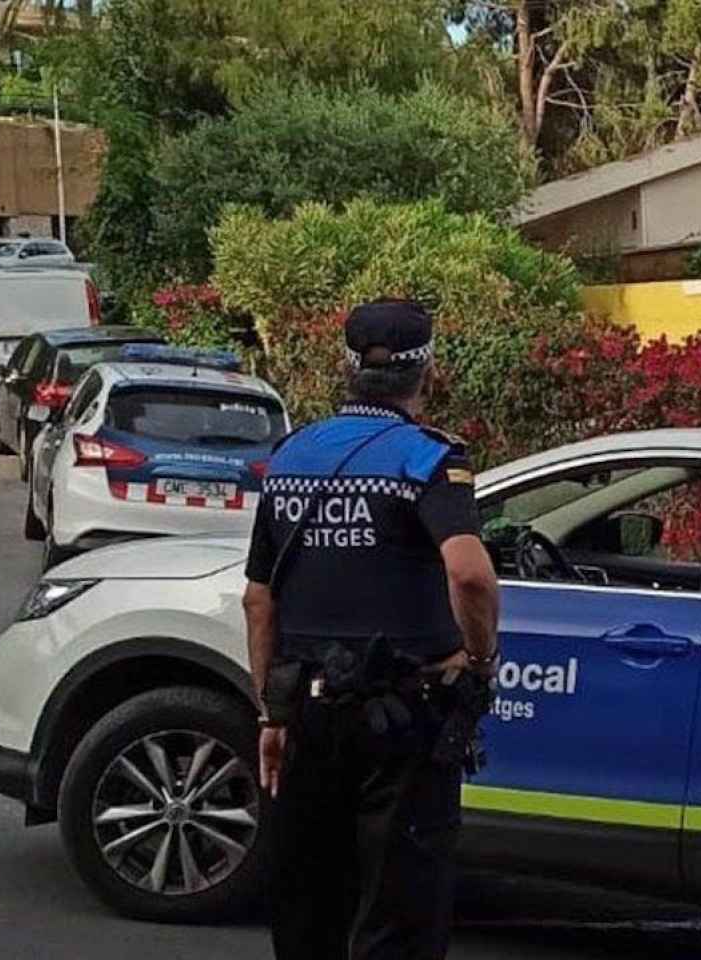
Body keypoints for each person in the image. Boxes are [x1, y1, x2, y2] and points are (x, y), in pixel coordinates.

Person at [242, 300, 501, 960]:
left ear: (346, 368)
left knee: (308, 906)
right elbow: (470, 574)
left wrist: (271, 713)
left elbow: (258, 600)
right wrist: (479, 660)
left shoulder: (291, 455)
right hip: (402, 720)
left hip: (304, 712)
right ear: (430, 371)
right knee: (399, 911)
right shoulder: (430, 459)